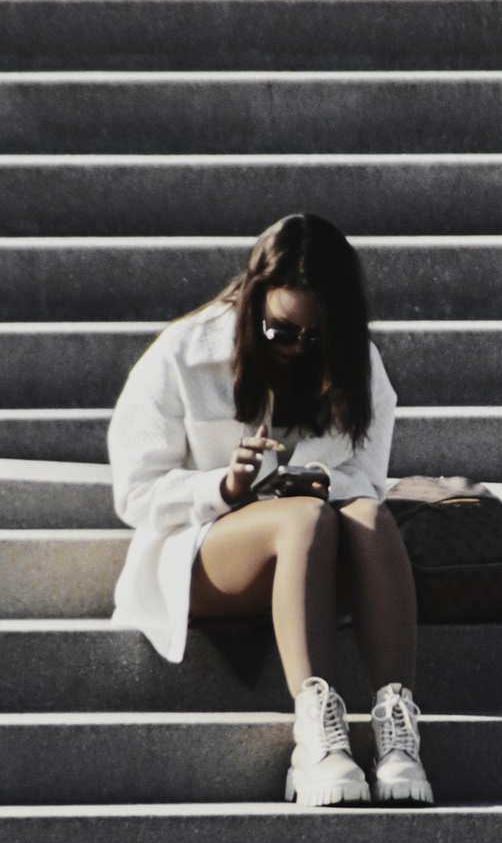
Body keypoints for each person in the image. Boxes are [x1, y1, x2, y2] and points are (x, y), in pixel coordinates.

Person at [107, 211, 432, 807]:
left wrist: (310, 481)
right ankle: (316, 739)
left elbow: (366, 480)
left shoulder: (360, 367)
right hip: (205, 554)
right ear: (255, 300)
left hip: (317, 545)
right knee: (304, 519)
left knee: (368, 515)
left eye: (316, 336)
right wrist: (225, 488)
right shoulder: (183, 354)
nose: (297, 348)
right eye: (282, 332)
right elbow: (135, 492)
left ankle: (396, 728)